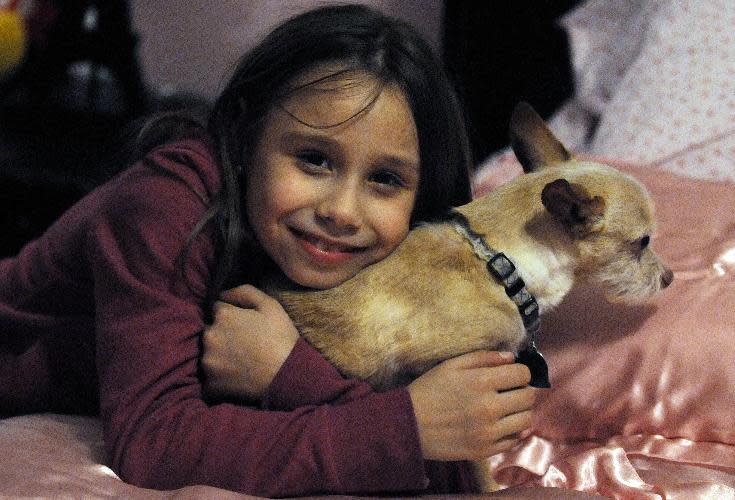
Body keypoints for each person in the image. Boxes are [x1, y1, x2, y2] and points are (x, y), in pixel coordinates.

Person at [0, 4, 535, 496]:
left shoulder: (396, 259)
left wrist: (291, 373)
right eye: (314, 159)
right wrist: (400, 426)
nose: (343, 212)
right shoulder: (167, 204)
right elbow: (154, 444)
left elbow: (442, 459)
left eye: (386, 180)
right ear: (246, 134)